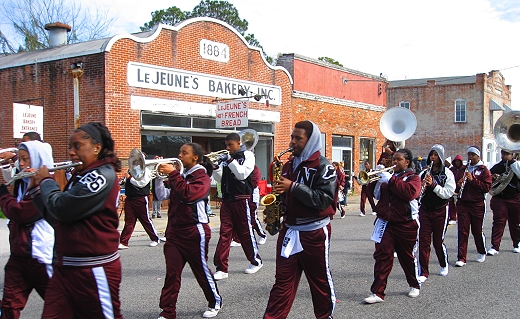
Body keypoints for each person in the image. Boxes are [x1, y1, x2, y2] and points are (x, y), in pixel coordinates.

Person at [31, 122, 123, 318]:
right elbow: (57, 218)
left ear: (97, 148)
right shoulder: (81, 176)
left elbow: (62, 208)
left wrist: (47, 181)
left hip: (93, 269)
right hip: (65, 269)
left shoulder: (102, 175)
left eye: (77, 146)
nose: (71, 152)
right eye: (70, 147)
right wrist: (35, 190)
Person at [264, 120, 337, 319]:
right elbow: (286, 195)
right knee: (282, 283)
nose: (292, 142)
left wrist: (293, 187)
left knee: (319, 281)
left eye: (298, 139)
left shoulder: (324, 166)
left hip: (314, 232)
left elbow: (324, 200)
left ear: (310, 141)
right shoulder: (288, 165)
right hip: (289, 229)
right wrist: (277, 208)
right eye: (292, 137)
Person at [153, 143, 222, 319]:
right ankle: (168, 311)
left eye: (184, 153)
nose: (180, 155)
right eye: (180, 152)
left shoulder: (202, 176)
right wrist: (159, 177)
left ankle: (215, 301)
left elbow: (189, 195)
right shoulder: (181, 175)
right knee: (172, 274)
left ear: (195, 158)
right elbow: (162, 195)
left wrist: (173, 173)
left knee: (200, 270)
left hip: (194, 231)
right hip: (175, 232)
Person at [0, 140, 54, 318]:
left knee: (57, 305)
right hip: (19, 256)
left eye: (25, 159)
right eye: (20, 159)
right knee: (9, 304)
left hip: (39, 256)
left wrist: (2, 194)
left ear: (38, 160)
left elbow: (21, 213)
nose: (21, 164)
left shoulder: (47, 185)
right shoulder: (24, 179)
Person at [364, 148, 422, 304]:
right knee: (382, 256)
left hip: (406, 223)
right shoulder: (389, 177)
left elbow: (410, 193)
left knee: (406, 257)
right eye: (393, 159)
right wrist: (373, 181)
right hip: (385, 222)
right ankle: (377, 292)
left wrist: (390, 180)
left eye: (398, 160)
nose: (394, 162)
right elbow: (377, 196)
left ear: (407, 162)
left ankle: (414, 284)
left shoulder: (414, 177)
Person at [212, 132, 262, 280]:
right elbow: (220, 179)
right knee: (224, 233)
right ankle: (221, 268)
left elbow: (242, 174)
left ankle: (256, 261)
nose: (227, 148)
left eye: (230, 145)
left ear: (238, 143)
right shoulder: (228, 158)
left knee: (245, 232)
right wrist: (216, 168)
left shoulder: (248, 156)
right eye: (226, 145)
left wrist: (230, 160)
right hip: (227, 200)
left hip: (242, 199)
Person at [417, 144, 455, 282]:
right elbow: (416, 191)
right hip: (425, 210)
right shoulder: (424, 172)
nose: (433, 157)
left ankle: (443, 264)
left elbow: (448, 193)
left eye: (436, 155)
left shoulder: (448, 174)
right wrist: (422, 186)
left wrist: (434, 186)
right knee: (424, 241)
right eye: (431, 154)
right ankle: (423, 272)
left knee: (438, 241)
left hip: (441, 210)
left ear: (441, 156)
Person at [454, 146, 492, 267]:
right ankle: (461, 258)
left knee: (477, 230)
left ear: (478, 156)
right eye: (469, 154)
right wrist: (458, 184)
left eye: (472, 155)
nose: (470, 157)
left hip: (477, 204)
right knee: (463, 231)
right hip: (463, 203)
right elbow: (455, 187)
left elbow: (486, 187)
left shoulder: (484, 170)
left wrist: (473, 180)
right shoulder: (463, 169)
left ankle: (481, 251)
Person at [119, 164, 164, 249]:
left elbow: (142, 183)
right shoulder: (131, 170)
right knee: (129, 221)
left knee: (145, 220)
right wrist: (123, 182)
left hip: (140, 198)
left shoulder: (146, 171)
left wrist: (129, 178)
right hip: (130, 198)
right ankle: (124, 242)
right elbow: (127, 183)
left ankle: (155, 239)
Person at [487, 149, 520, 256]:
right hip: (500, 198)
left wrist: (512, 162)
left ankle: (517, 244)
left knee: (515, 222)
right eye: (503, 153)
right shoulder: (497, 166)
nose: (505, 156)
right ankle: (495, 246)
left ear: (512, 155)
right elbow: (488, 178)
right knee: (498, 222)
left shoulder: (516, 165)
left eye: (508, 154)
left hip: (515, 197)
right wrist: (492, 177)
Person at [448, 155, 465, 225]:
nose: (457, 163)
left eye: (459, 161)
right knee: (451, 203)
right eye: (456, 161)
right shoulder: (451, 169)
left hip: (461, 189)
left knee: (460, 204)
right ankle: (453, 217)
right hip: (452, 189)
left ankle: (460, 216)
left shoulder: (464, 169)